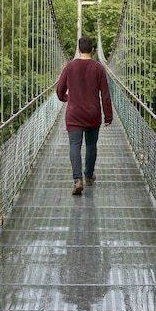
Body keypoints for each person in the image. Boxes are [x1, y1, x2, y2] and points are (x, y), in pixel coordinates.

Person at [56, 35, 113, 195]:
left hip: (74, 113)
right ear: (93, 50)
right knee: (90, 145)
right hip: (92, 113)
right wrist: (108, 116)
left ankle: (77, 180)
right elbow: (106, 94)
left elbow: (60, 90)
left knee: (75, 145)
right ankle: (88, 175)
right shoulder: (98, 68)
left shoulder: (69, 67)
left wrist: (66, 98)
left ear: (78, 49)